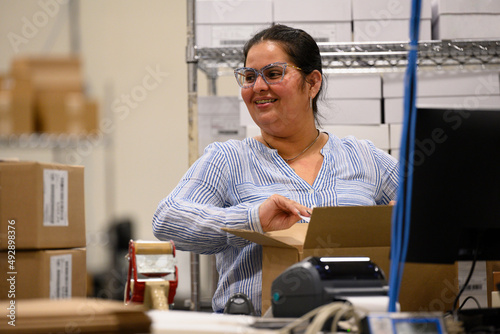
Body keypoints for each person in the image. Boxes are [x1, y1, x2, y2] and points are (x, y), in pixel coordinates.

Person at [152, 24, 399, 315]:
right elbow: (167, 219)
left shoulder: (363, 157)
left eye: (272, 74)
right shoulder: (229, 159)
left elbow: (435, 213)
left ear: (312, 83)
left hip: (350, 324)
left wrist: (403, 220)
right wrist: (253, 219)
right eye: (248, 77)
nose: (257, 87)